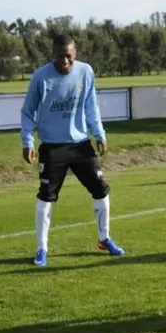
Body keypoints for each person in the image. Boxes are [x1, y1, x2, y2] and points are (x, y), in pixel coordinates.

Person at [21, 33, 125, 265]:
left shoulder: (85, 72)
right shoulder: (41, 77)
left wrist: (99, 134)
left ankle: (104, 238)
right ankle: (41, 249)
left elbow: (91, 106)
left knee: (100, 189)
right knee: (46, 197)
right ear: (53, 55)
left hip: (81, 145)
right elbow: (28, 112)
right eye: (59, 57)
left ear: (75, 52)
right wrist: (27, 141)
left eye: (68, 56)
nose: (64, 62)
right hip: (52, 147)